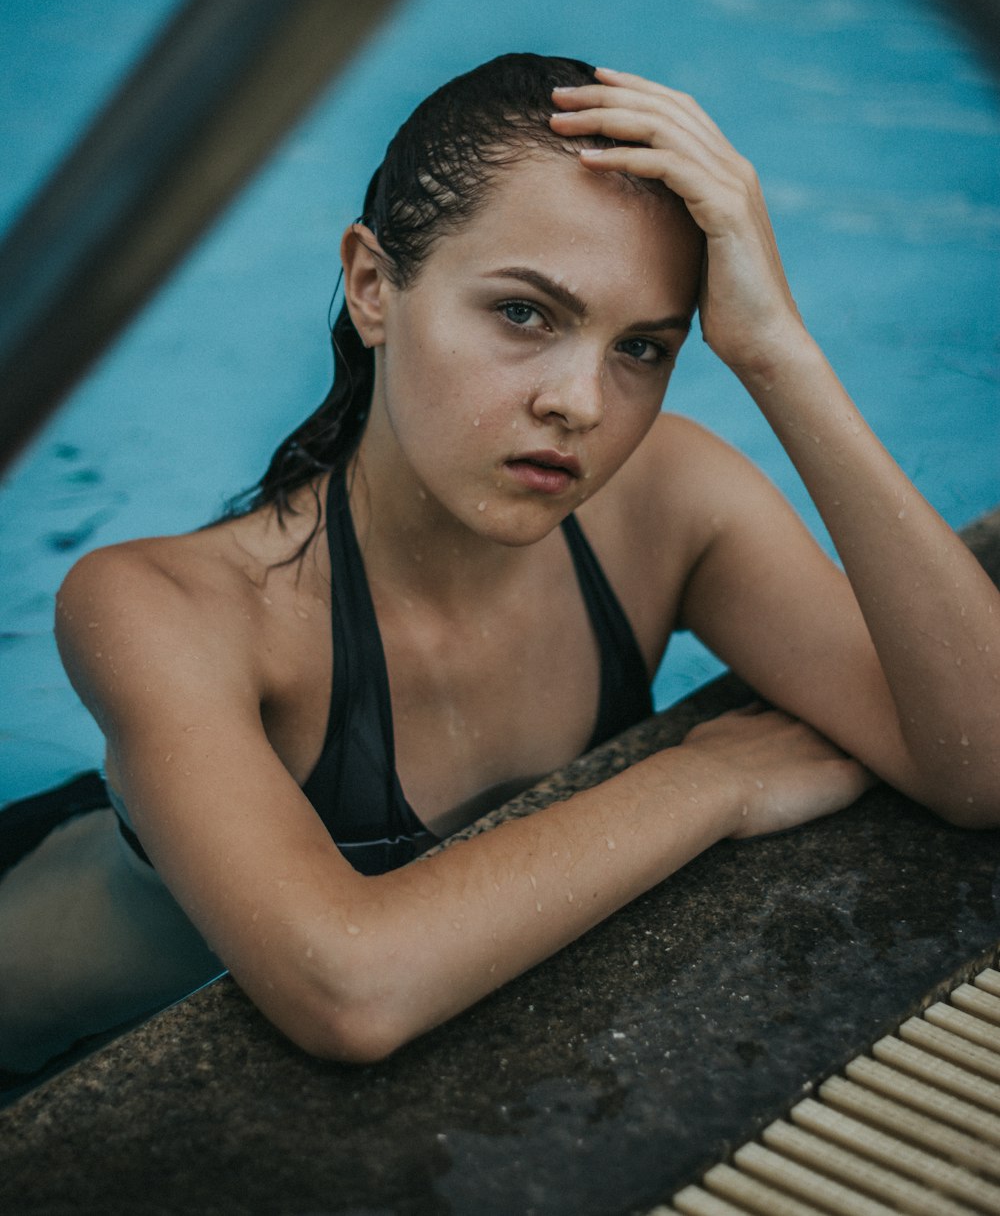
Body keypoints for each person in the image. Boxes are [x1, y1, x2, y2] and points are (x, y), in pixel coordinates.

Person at [2, 53, 998, 1075]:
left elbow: (983, 763)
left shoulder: (668, 504)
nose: (582, 402)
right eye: (524, 313)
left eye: (643, 348)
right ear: (372, 285)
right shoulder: (168, 607)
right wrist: (707, 780)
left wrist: (775, 350)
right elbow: (350, 986)